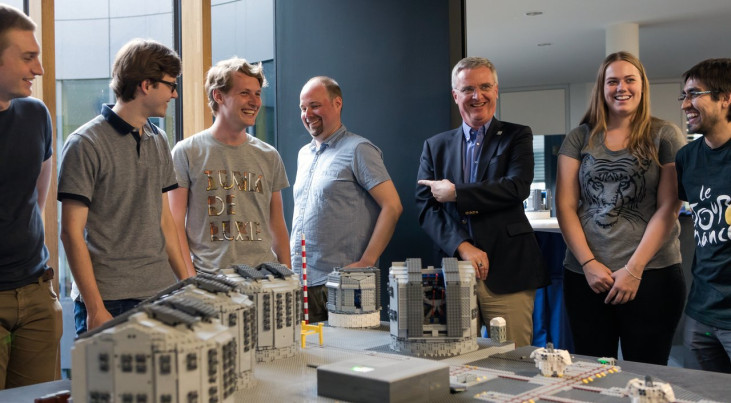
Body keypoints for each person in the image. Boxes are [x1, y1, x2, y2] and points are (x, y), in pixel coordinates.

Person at [556, 51, 686, 364]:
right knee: (590, 373)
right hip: (586, 276)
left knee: (647, 373)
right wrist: (587, 263)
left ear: (642, 86)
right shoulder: (579, 137)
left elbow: (669, 206)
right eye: (612, 81)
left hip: (652, 274)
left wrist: (633, 269)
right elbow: (565, 205)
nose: (621, 87)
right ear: (601, 88)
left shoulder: (665, 134)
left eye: (630, 79)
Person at [58, 38, 191, 336]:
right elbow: (70, 232)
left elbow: (164, 221)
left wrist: (186, 284)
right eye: (170, 85)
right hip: (109, 302)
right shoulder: (85, 143)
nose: (175, 94)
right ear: (146, 84)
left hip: (161, 294)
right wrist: (95, 308)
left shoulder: (159, 139)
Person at [416, 56, 548, 347]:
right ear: (455, 95)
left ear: (496, 90)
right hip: (453, 271)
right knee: (455, 359)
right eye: (468, 89)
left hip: (508, 269)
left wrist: (456, 194)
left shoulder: (517, 136)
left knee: (512, 359)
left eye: (485, 86)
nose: (478, 96)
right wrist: (463, 247)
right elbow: (426, 209)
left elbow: (516, 187)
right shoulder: (435, 146)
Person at [291, 76, 402, 323]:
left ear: (337, 103)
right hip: (300, 283)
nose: (307, 113)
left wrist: (367, 261)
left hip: (342, 283)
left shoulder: (359, 149)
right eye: (303, 107)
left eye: (314, 105)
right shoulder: (304, 155)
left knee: (344, 357)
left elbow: (392, 206)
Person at [169, 57, 290, 273]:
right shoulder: (187, 152)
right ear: (218, 96)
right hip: (210, 281)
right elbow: (175, 224)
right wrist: (189, 280)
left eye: (258, 94)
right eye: (245, 93)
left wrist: (290, 279)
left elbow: (277, 225)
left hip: (264, 280)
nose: (255, 102)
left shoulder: (269, 156)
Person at [0, 4, 62, 389]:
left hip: (37, 292)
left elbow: (36, 201)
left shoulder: (37, 115)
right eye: (28, 57)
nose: (38, 69)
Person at [676, 58, 731, 373]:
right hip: (701, 312)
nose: (686, 104)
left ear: (725, 98)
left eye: (695, 94)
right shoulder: (687, 158)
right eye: (683, 96)